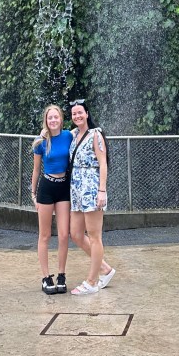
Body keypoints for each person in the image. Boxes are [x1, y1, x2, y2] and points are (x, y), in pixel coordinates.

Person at [68, 100, 115, 296]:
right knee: (76, 234)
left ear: (87, 114)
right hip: (76, 188)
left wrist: (102, 191)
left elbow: (103, 163)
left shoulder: (96, 135)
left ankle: (92, 281)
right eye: (74, 114)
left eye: (80, 112)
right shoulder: (73, 135)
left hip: (91, 188)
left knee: (95, 236)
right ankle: (105, 269)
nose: (77, 116)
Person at [31, 105, 72, 295]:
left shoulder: (68, 136)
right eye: (50, 118)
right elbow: (36, 170)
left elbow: (83, 132)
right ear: (46, 121)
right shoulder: (40, 142)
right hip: (46, 188)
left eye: (56, 117)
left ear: (61, 119)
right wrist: (33, 194)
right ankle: (46, 277)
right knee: (45, 235)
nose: (53, 120)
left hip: (63, 187)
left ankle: (61, 275)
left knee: (64, 234)